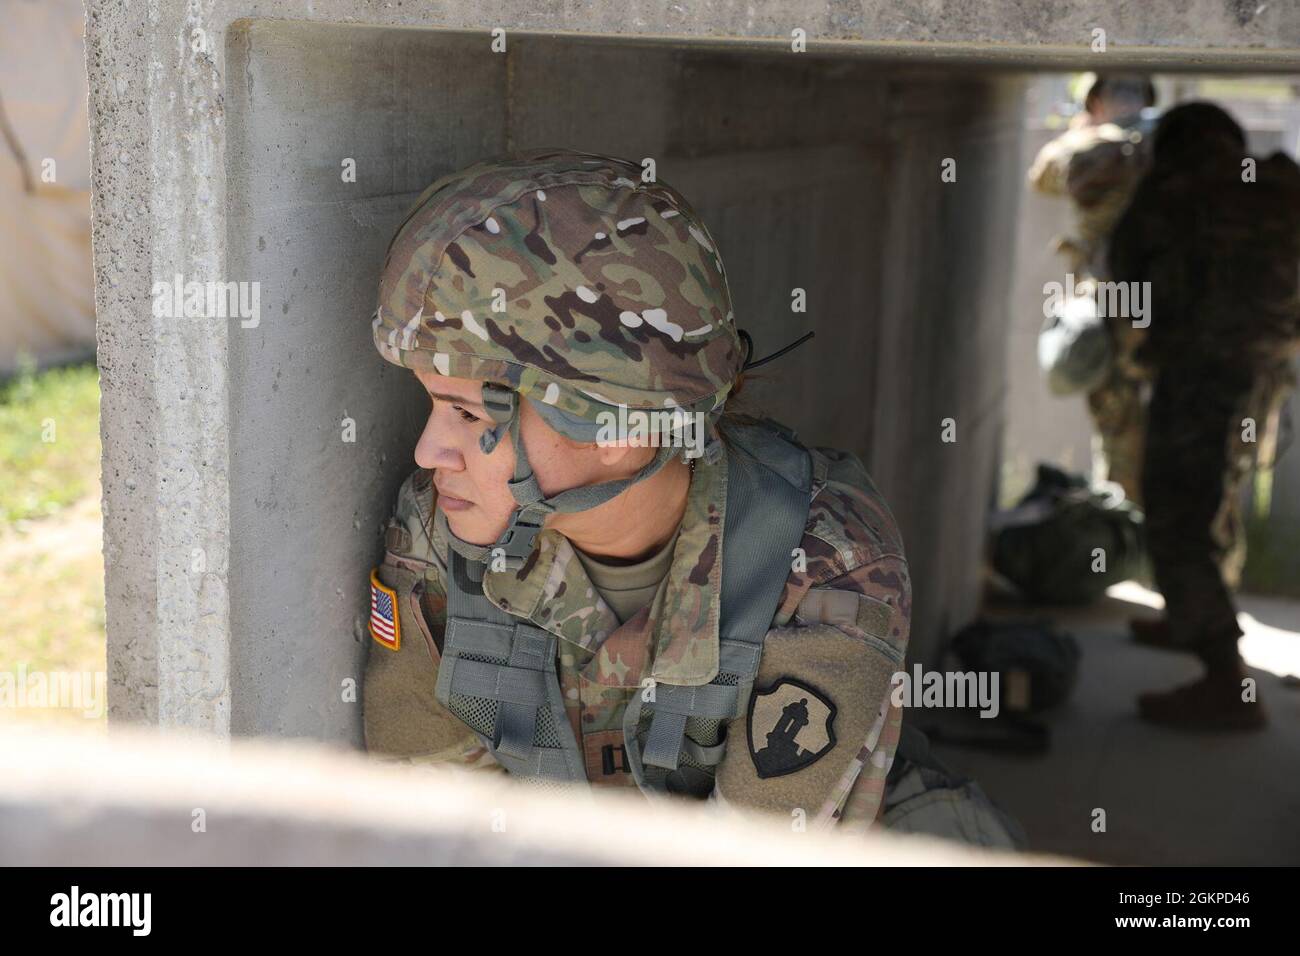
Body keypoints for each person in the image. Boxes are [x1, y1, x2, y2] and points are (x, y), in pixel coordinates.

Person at [361, 148, 914, 828]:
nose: (427, 451)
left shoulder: (822, 563)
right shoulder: (442, 527)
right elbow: (422, 822)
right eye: (434, 405)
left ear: (614, 426)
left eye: (469, 414)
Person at [1108, 103, 1300, 730]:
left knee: (1176, 511)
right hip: (1261, 372)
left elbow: (1124, 267)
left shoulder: (1179, 192)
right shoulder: (1279, 186)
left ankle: (1226, 679)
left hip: (1196, 374)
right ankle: (1191, 612)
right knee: (1215, 497)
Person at [1028, 73, 1157, 505]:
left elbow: (1043, 175)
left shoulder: (1095, 147)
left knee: (1119, 438)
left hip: (1116, 306)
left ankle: (1127, 537)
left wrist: (1083, 131)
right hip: (1175, 307)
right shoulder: (1172, 143)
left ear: (1095, 102)